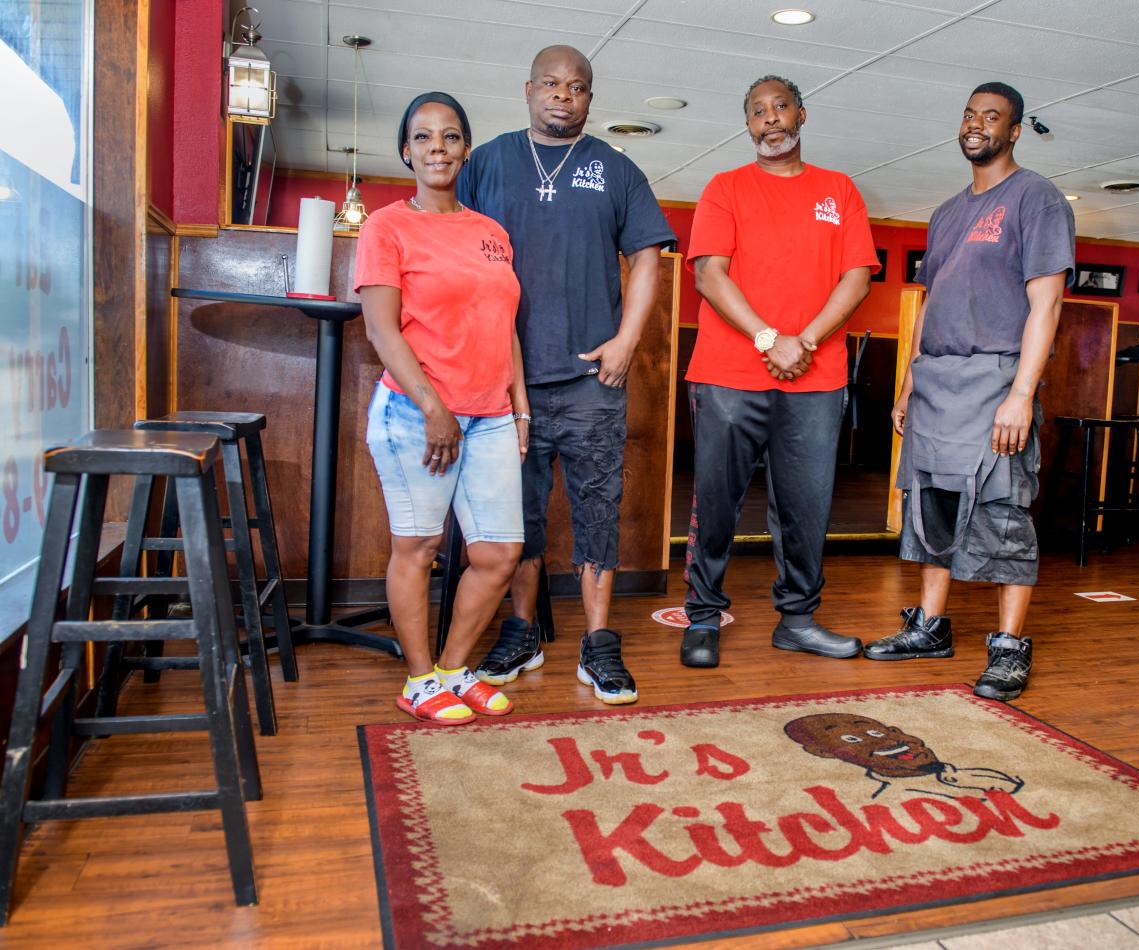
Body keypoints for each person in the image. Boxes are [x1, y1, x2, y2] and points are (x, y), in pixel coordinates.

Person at [457, 45, 674, 705]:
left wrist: (626, 341)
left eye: (576, 87)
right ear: (528, 90)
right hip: (506, 382)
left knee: (596, 512)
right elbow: (455, 248)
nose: (562, 95)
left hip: (591, 383)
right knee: (516, 515)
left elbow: (648, 259)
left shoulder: (616, 170)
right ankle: (521, 630)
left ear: (588, 98)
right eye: (550, 84)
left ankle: (597, 641)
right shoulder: (488, 161)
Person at [863, 82, 1075, 703]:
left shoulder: (1035, 199)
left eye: (992, 117)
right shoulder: (947, 212)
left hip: (994, 382)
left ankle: (1009, 647)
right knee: (929, 510)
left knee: (1003, 511)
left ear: (1014, 131)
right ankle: (929, 627)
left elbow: (1047, 303)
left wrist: (1020, 393)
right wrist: (909, 380)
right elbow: (931, 303)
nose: (976, 124)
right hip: (937, 385)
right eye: (969, 114)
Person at [679, 75, 878, 668]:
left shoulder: (838, 191)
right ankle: (704, 618)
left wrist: (805, 341)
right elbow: (709, 275)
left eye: (781, 107)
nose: (771, 119)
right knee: (716, 500)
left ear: (802, 115)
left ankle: (797, 620)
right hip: (728, 374)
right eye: (758, 111)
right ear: (748, 125)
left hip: (816, 379)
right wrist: (770, 338)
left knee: (806, 505)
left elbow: (858, 276)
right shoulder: (725, 188)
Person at [355, 92, 529, 725]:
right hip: (414, 414)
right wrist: (433, 407)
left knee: (498, 553)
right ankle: (419, 680)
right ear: (406, 150)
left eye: (450, 137)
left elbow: (504, 324)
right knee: (420, 545)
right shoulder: (387, 226)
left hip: (490, 416)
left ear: (465, 148)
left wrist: (521, 408)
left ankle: (456, 668)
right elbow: (381, 329)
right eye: (423, 138)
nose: (437, 149)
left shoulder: (491, 233)